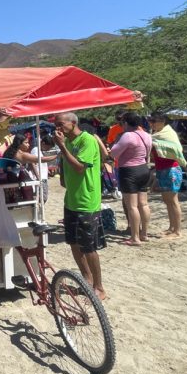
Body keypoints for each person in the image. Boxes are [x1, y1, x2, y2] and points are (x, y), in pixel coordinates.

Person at [52, 112, 107, 300]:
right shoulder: (67, 142)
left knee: (89, 247)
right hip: (71, 200)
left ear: (73, 123)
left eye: (60, 124)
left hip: (87, 201)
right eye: (56, 125)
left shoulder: (87, 140)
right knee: (74, 243)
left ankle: (99, 287)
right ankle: (86, 281)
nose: (57, 128)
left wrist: (61, 147)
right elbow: (67, 171)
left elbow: (80, 167)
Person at [109, 112, 153, 246]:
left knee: (132, 206)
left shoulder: (127, 135)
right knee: (143, 204)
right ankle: (144, 234)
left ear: (126, 123)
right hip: (144, 169)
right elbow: (148, 153)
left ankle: (135, 237)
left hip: (129, 171)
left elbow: (113, 154)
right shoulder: (146, 135)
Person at [148, 112, 187, 238]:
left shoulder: (168, 134)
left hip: (171, 169)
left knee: (173, 200)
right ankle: (171, 227)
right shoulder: (155, 135)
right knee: (167, 200)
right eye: (151, 121)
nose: (152, 124)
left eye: (154, 121)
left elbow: (177, 150)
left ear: (162, 122)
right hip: (161, 169)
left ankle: (177, 231)